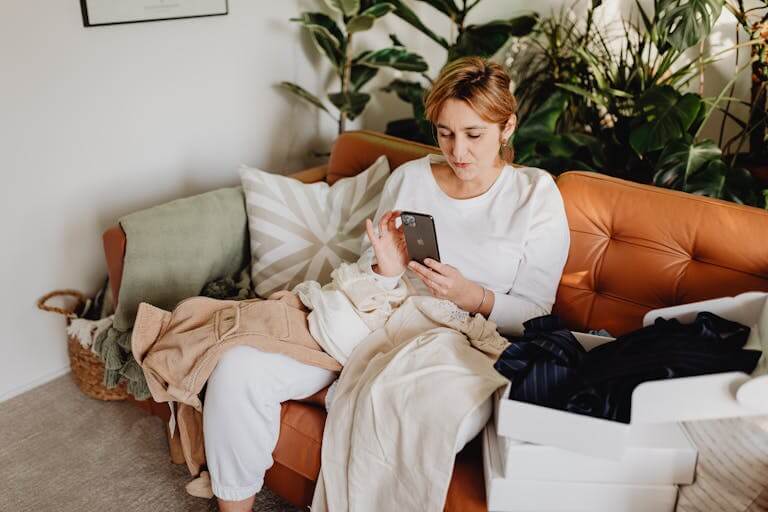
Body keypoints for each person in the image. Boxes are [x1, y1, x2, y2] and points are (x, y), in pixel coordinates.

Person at [202, 56, 570, 511]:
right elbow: (370, 273)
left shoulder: (535, 196)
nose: (458, 152)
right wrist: (386, 270)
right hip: (377, 315)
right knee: (239, 367)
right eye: (445, 133)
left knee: (400, 410)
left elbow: (537, 313)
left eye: (474, 135)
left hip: (463, 342)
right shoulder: (411, 178)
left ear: (507, 127)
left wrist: (471, 295)